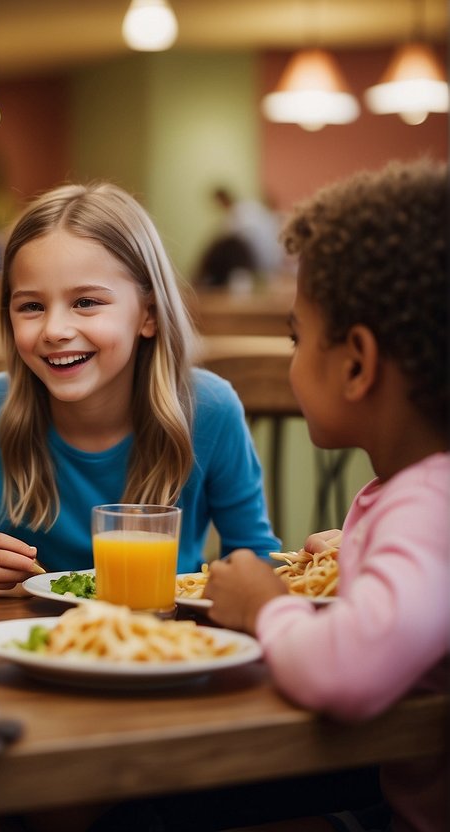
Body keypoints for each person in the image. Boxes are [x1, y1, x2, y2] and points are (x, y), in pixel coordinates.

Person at [203, 160, 447, 832]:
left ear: (356, 364)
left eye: (296, 337)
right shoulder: (422, 496)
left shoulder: (426, 507)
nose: (291, 358)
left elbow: (348, 671)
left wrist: (264, 607)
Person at [0, 182, 279, 587]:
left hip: (163, 641)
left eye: (86, 302)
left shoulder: (208, 407)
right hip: (24, 641)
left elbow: (256, 559)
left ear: (149, 314)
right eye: (32, 306)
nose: (55, 330)